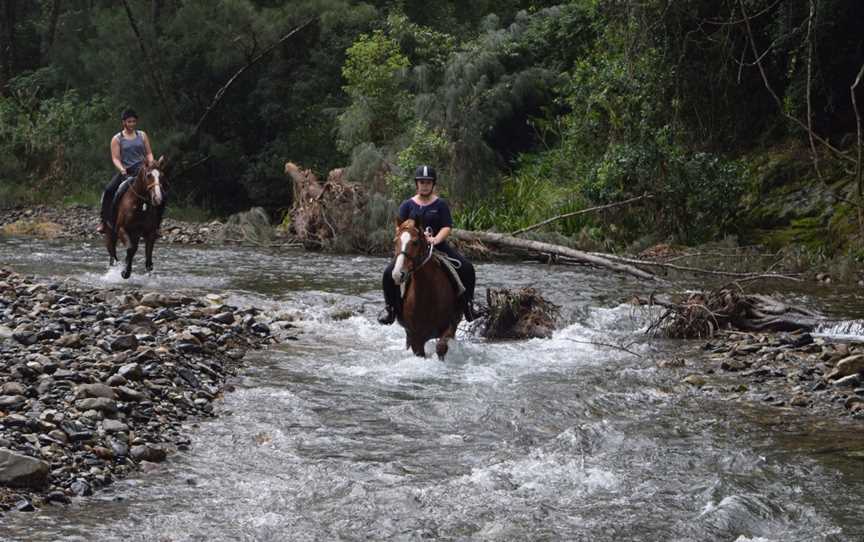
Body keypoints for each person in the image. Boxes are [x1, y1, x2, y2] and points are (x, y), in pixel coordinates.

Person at [378, 165, 477, 325]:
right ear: (417, 184)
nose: (425, 185)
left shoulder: (440, 205)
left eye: (428, 182)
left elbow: (446, 227)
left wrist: (436, 239)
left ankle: (468, 306)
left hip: (437, 247)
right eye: (422, 182)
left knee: (467, 268)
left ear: (433, 184)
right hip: (413, 249)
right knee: (388, 273)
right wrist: (413, 235)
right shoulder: (407, 205)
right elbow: (400, 228)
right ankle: (390, 309)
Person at [97, 108, 155, 233]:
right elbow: (115, 158)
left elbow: (149, 153)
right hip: (127, 171)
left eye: (134, 121)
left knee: (157, 189)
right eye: (129, 122)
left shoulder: (142, 135)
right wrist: (122, 169)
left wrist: (151, 163)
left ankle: (155, 225)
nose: (132, 124)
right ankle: (104, 221)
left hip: (143, 171)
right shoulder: (117, 139)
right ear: (124, 122)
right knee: (109, 191)